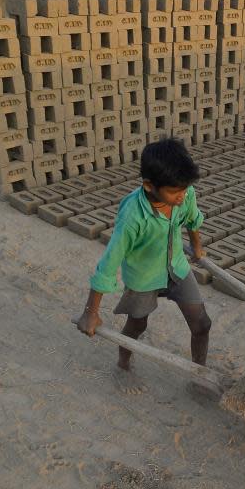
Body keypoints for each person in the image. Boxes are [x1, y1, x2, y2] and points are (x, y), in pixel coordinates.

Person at [76, 138, 211, 395]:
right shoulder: (132, 217)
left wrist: (196, 246)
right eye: (175, 191)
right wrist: (90, 312)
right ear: (149, 186)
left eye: (185, 189)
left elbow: (193, 219)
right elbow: (107, 265)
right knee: (137, 326)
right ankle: (123, 364)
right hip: (143, 277)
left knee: (202, 324)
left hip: (177, 268)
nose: (182, 196)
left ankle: (200, 374)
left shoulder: (185, 194)